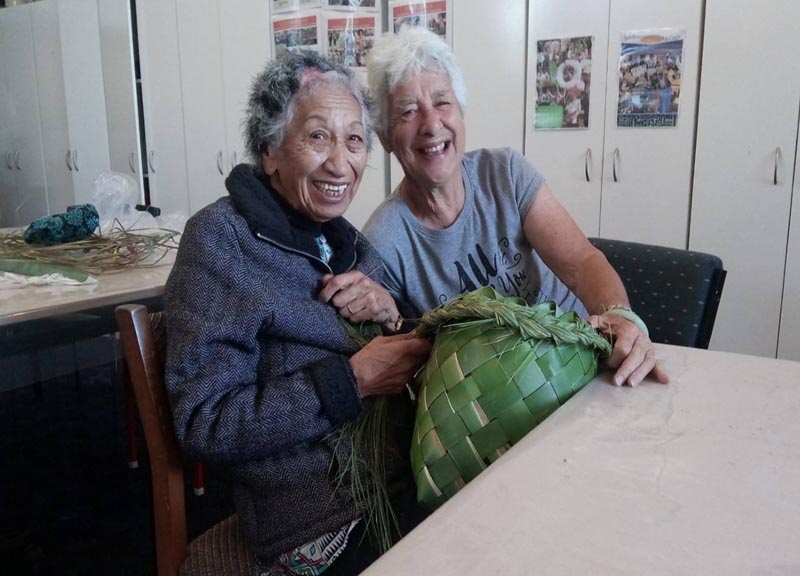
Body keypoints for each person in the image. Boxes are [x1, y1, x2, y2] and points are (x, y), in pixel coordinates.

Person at [165, 51, 431, 575]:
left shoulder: (348, 243)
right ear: (270, 151)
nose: (341, 162)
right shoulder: (222, 242)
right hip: (316, 521)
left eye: (354, 139)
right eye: (318, 137)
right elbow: (205, 420)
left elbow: (416, 353)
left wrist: (394, 314)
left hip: (406, 476)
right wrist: (350, 382)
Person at [362, 27, 668, 388]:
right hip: (494, 403)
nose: (431, 124)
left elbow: (580, 261)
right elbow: (404, 353)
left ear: (461, 113)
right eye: (408, 112)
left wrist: (622, 319)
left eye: (443, 103)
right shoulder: (383, 241)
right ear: (384, 137)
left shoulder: (505, 172)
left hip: (580, 363)